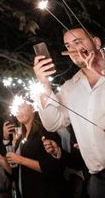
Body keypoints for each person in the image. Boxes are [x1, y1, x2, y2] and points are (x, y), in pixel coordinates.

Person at [33, 28, 105, 197]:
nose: (73, 49)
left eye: (78, 41)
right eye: (68, 45)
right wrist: (44, 84)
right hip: (97, 179)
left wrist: (99, 71)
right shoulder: (70, 87)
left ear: (96, 42)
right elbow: (53, 123)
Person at [3, 100, 65, 198]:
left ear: (33, 108)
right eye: (16, 108)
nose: (18, 111)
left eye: (22, 107)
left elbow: (54, 167)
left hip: (45, 191)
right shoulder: (20, 138)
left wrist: (20, 160)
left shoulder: (45, 131)